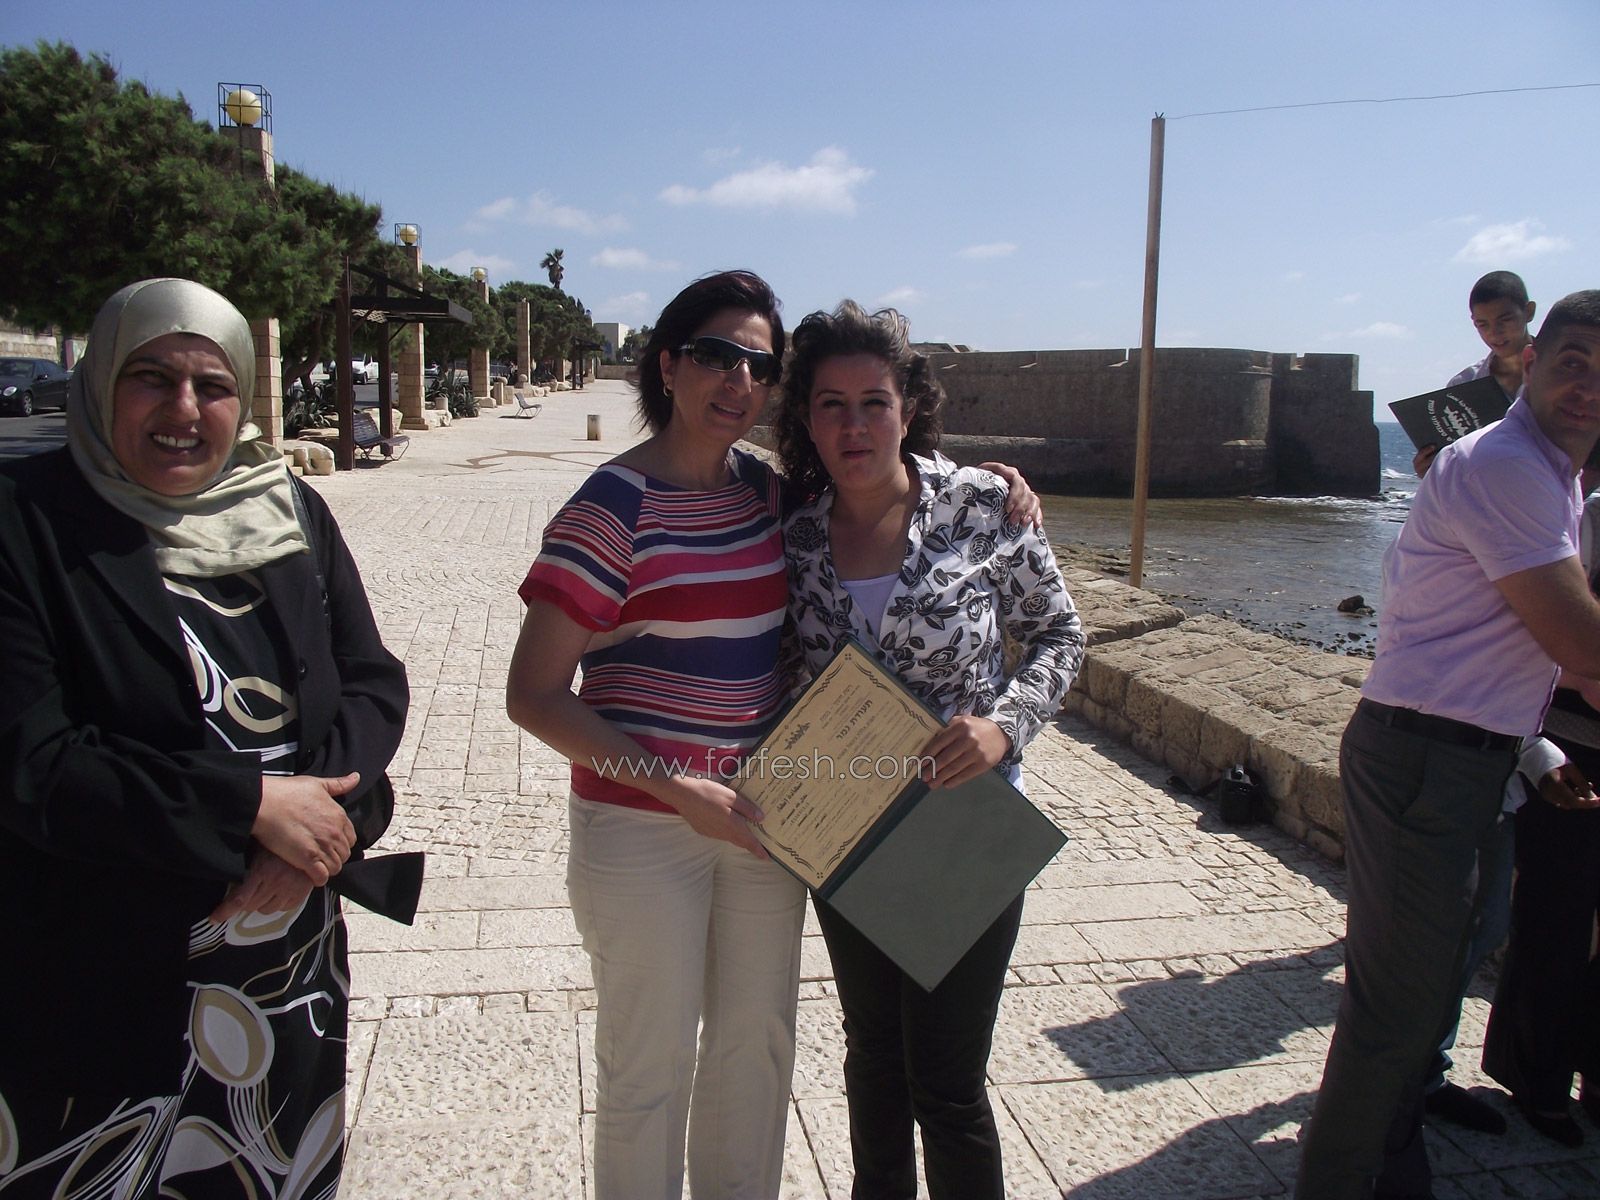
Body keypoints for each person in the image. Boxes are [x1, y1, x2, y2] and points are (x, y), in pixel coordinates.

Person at [506, 272, 1040, 1200]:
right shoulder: (611, 506)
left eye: (759, 364)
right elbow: (534, 695)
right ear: (667, 366)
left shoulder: (766, 495)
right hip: (644, 825)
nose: (738, 380)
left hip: (767, 820)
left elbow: (884, 490)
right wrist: (677, 789)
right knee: (648, 1067)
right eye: (716, 356)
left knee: (756, 1055)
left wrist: (987, 484)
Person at [0, 278, 409, 1196]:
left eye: (213, 385)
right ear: (101, 380)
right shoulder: (24, 521)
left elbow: (369, 681)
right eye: (151, 377)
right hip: (100, 966)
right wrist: (252, 811)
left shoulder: (285, 511)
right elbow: (34, 762)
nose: (184, 409)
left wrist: (318, 831)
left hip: (280, 971)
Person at [775, 300, 1084, 1199]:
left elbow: (1061, 634)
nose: (854, 425)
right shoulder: (794, 536)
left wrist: (1004, 726)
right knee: (873, 1056)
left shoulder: (982, 505)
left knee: (945, 1081)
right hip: (845, 825)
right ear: (806, 418)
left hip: (961, 827)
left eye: (874, 402)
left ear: (908, 408)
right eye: (831, 405)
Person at [1295, 290, 1600, 1200]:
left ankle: (1397, 1138)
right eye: (1574, 363)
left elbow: (1490, 644)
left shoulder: (1552, 472)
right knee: (1396, 1003)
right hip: (1426, 757)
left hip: (1477, 751)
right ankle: (1344, 1179)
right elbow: (1579, 646)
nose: (1589, 388)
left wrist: (1534, 752)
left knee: (1448, 966)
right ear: (1531, 361)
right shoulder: (1509, 465)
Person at [1481, 464, 1600, 1145]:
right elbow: (1548, 631)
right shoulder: (1589, 514)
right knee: (1557, 914)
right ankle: (1537, 1078)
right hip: (1573, 744)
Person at [1411, 270, 1537, 476]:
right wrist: (1431, 469)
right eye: (1482, 324)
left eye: (1504, 320)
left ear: (1529, 312)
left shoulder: (1563, 377)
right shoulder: (1462, 386)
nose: (1494, 332)